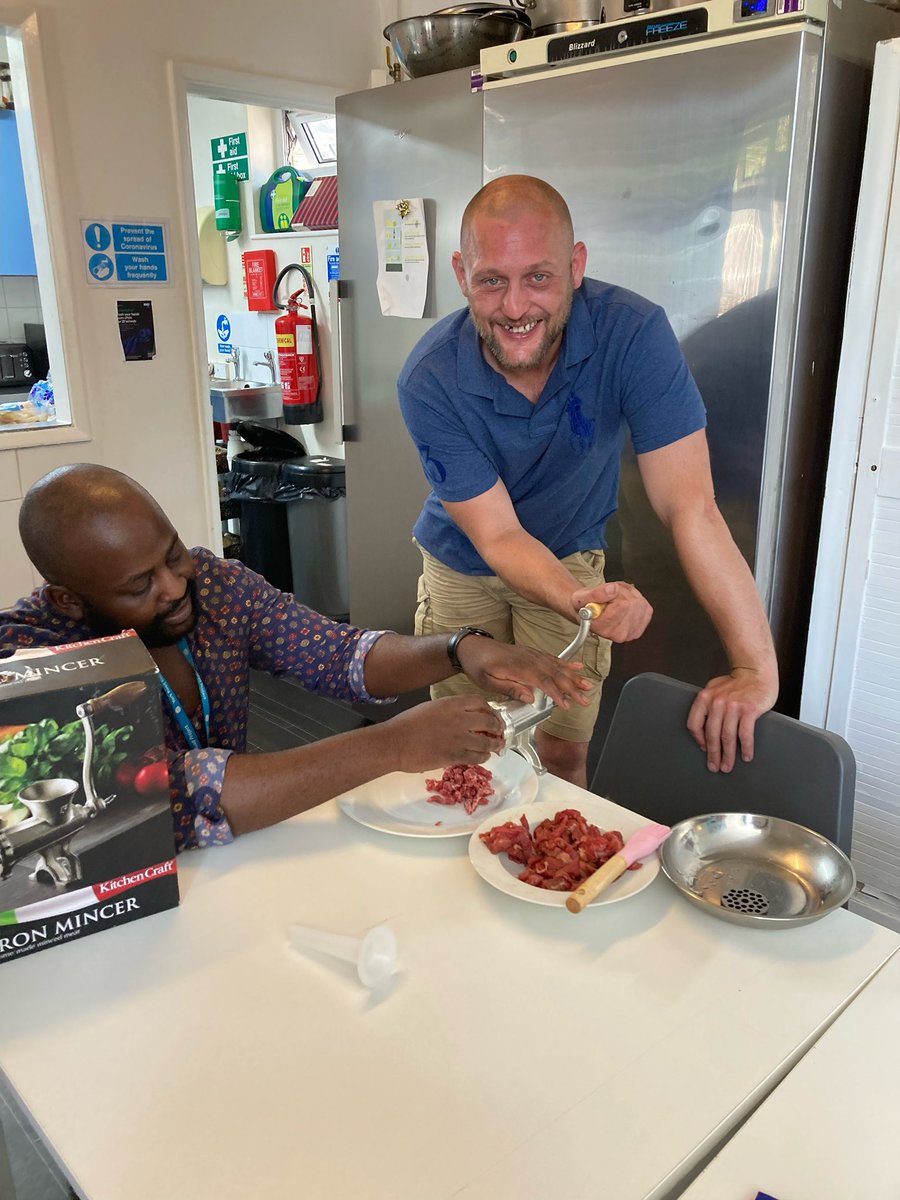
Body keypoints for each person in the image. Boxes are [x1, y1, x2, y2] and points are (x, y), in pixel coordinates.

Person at [398, 175, 778, 788]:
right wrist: (577, 600)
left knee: (562, 749)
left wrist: (755, 668)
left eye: (538, 277)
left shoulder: (633, 334)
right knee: (464, 746)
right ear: (462, 274)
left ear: (576, 266)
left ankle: (542, 878)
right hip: (461, 563)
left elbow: (692, 507)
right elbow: (496, 535)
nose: (516, 307)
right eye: (492, 279)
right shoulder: (429, 377)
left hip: (571, 553)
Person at [0, 464, 592, 851]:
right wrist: (390, 745)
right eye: (138, 586)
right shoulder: (26, 662)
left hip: (241, 857)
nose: (175, 585)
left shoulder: (213, 585)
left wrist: (460, 649)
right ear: (68, 601)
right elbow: (174, 798)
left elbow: (338, 656)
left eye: (171, 553)